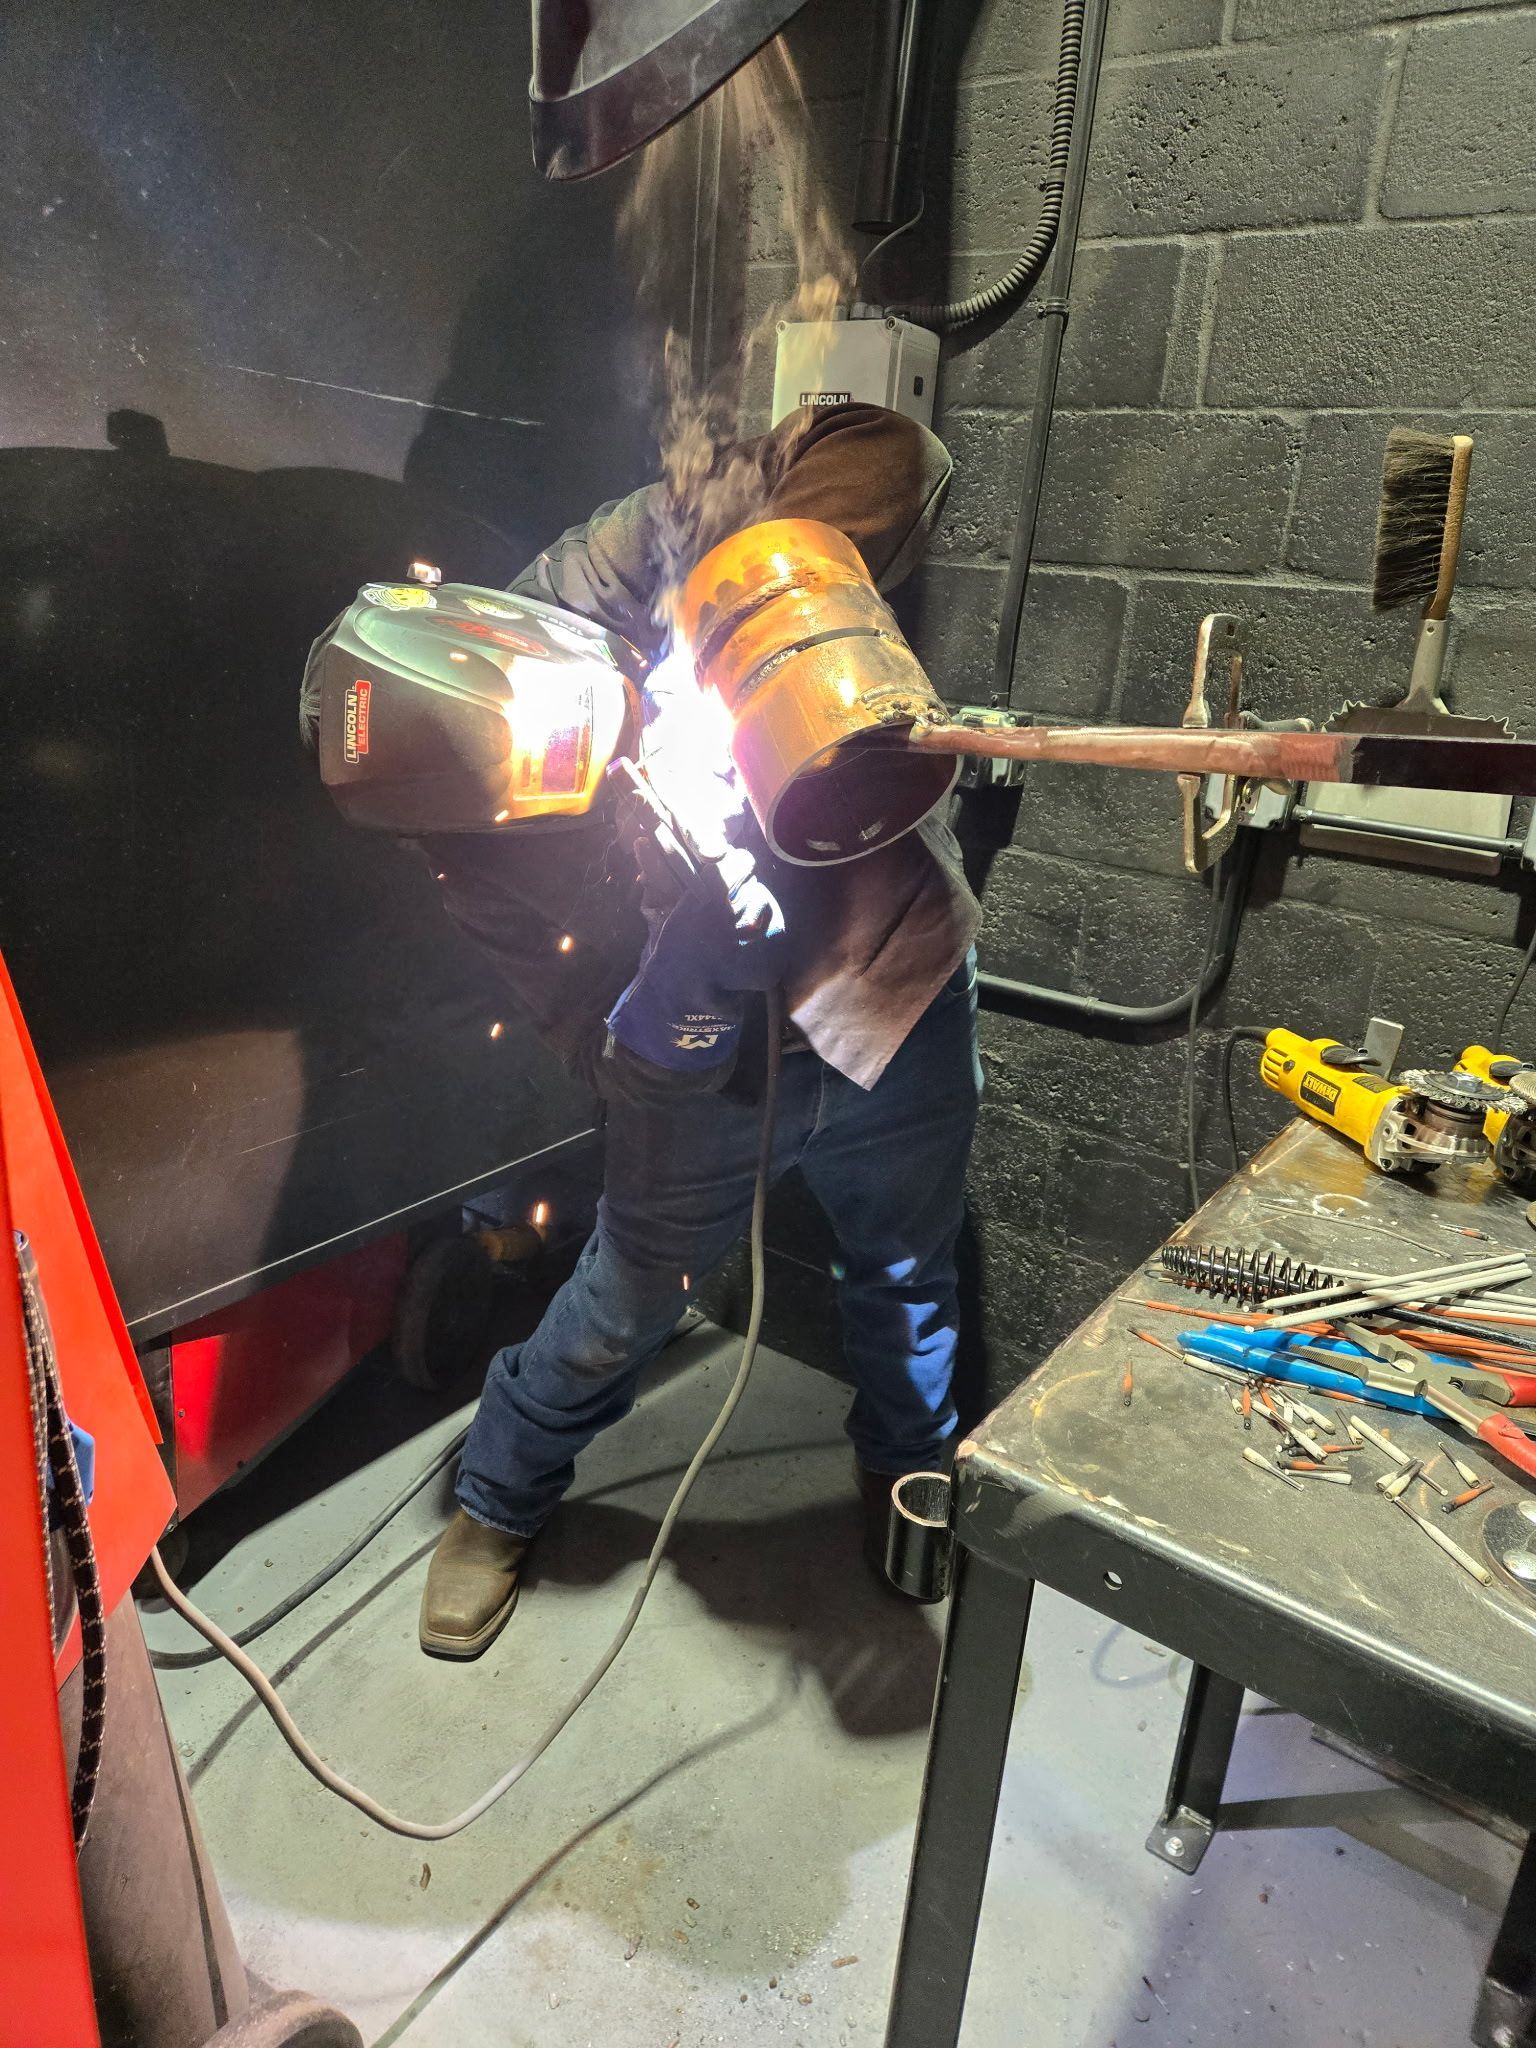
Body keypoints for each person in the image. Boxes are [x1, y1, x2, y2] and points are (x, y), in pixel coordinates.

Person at [366, 401, 981, 1659]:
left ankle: (908, 1463)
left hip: (897, 988)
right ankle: (497, 1493)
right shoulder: (475, 859)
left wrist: (729, 613)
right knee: (621, 1301)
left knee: (908, 1267)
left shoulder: (608, 563)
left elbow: (891, 455)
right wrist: (675, 1013)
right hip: (714, 1074)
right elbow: (600, 1041)